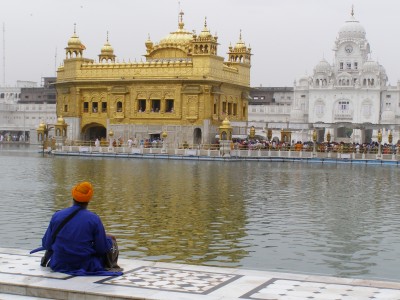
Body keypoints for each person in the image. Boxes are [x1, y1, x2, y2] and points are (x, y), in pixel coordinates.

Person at [31, 182, 122, 276]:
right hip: (84, 265)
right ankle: (112, 266)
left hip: (58, 264)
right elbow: (101, 249)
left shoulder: (57, 216)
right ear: (89, 199)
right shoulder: (94, 219)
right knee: (111, 239)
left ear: (73, 195)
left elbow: (47, 244)